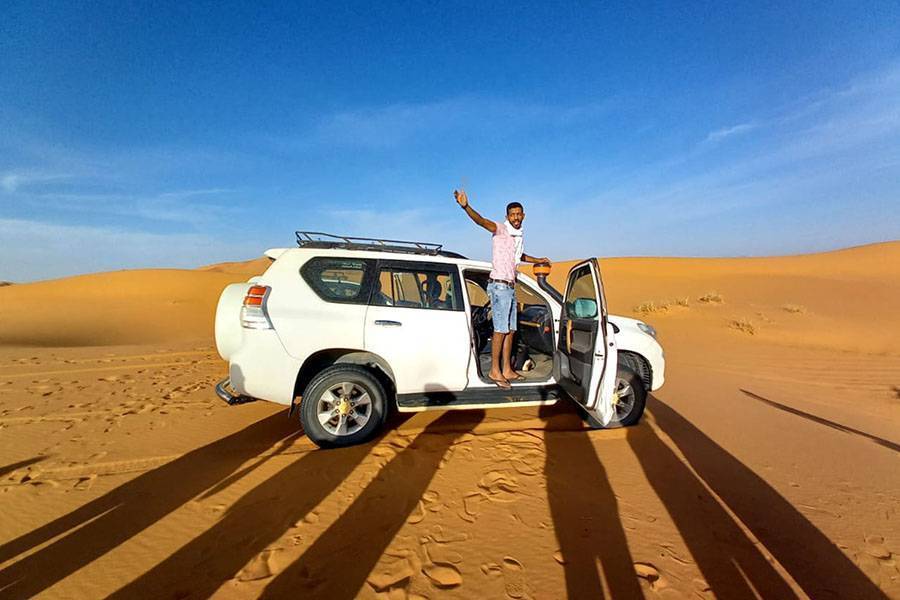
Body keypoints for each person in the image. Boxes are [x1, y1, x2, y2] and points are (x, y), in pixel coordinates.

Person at [454, 189, 550, 389]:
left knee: (511, 330)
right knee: (500, 330)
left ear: (523, 216)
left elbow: (519, 256)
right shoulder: (500, 229)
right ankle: (494, 371)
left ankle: (507, 369)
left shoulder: (518, 236)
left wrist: (537, 260)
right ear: (507, 216)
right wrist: (466, 207)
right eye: (512, 214)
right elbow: (481, 221)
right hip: (499, 286)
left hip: (510, 286)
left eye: (519, 214)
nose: (516, 217)